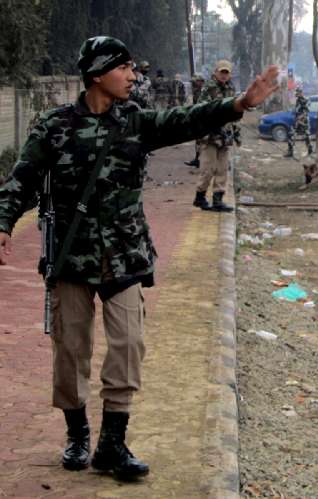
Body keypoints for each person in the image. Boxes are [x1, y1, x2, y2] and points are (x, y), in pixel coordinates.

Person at [0, 36, 278, 480]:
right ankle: (77, 433)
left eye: (133, 68)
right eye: (124, 68)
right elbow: (23, 178)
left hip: (125, 256)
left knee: (128, 345)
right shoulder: (54, 125)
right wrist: (4, 222)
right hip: (71, 257)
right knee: (70, 350)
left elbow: (187, 119)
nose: (133, 76)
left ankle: (112, 442)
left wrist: (239, 103)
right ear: (97, 75)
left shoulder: (135, 121)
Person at [193, 60, 242, 212]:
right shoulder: (208, 88)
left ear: (230, 74)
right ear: (215, 72)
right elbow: (202, 109)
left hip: (226, 135)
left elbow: (235, 112)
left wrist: (237, 134)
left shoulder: (231, 88)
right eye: (221, 72)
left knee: (222, 169)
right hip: (210, 135)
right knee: (208, 169)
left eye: (226, 73)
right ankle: (200, 197)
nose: (224, 75)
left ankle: (218, 200)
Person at [184, 74, 206, 168]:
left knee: (205, 141)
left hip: (204, 118)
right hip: (198, 118)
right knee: (198, 140)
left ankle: (202, 161)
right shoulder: (196, 91)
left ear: (201, 82)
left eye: (196, 81)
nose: (194, 83)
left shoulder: (205, 91)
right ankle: (197, 160)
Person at [285, 86, 314, 158]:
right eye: (296, 92)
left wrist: (300, 117)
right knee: (290, 135)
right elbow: (296, 109)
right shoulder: (298, 100)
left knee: (307, 136)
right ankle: (290, 152)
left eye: (298, 92)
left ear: (301, 92)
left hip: (304, 121)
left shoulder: (306, 100)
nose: (297, 93)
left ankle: (310, 151)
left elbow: (306, 112)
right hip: (297, 121)